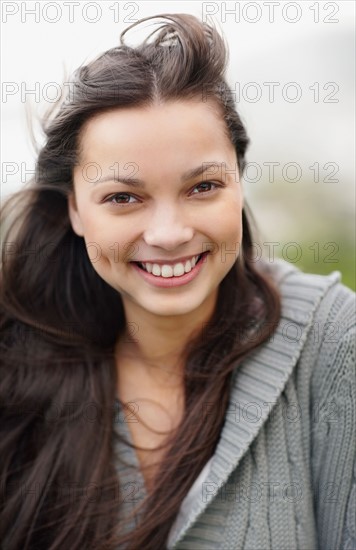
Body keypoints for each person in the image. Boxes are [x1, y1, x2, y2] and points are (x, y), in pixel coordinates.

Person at [0, 13, 355, 550]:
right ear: (74, 209)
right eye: (124, 197)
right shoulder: (15, 361)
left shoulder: (332, 342)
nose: (169, 233)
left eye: (203, 186)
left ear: (239, 181)